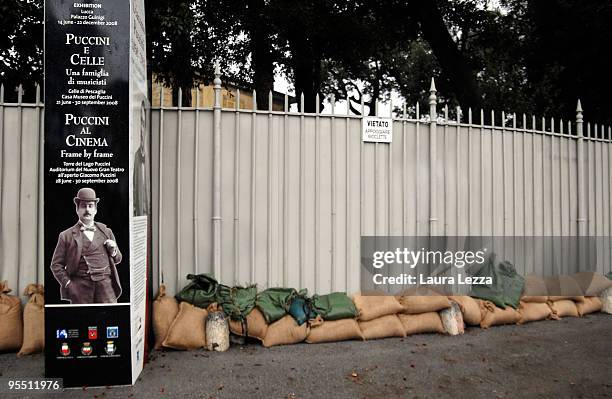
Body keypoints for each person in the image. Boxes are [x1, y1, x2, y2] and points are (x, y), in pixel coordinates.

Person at [50, 187, 123, 304]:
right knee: (81, 320)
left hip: (106, 287)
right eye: (83, 206)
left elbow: (118, 259)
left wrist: (114, 250)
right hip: (80, 289)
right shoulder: (66, 236)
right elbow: (56, 265)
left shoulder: (106, 231)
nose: (87, 210)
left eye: (90, 206)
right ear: (77, 209)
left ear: (95, 209)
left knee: (109, 317)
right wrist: (69, 284)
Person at [133, 100, 149, 216]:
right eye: (140, 124)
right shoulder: (137, 156)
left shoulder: (149, 156)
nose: (141, 130)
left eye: (143, 124)